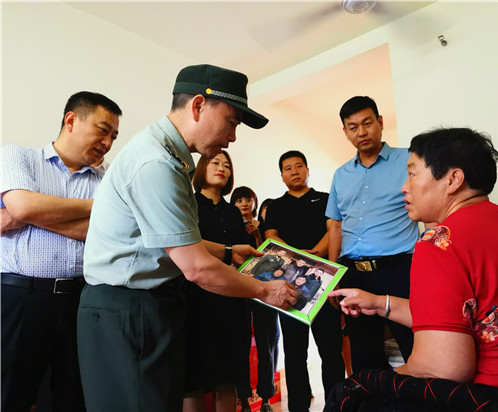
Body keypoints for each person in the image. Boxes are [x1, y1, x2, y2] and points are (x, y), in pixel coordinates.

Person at [76, 64, 298, 411]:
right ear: (198, 105)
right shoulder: (156, 164)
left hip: (145, 306)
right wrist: (266, 290)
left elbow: (171, 237)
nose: (233, 137)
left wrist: (228, 251)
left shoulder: (170, 157)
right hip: (129, 308)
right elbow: (196, 268)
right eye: (232, 122)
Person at [326, 127, 498, 411]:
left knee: (351, 391)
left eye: (412, 174)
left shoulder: (440, 242)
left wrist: (389, 377)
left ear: (453, 180)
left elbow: (443, 368)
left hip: (494, 398)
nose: (403, 187)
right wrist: (381, 304)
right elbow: (457, 318)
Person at [0, 91, 122, 412]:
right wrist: (97, 207)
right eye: (103, 130)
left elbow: (110, 233)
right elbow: (22, 205)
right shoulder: (18, 157)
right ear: (71, 120)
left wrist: (30, 215)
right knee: (10, 395)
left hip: (81, 300)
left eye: (113, 136)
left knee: (71, 398)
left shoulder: (109, 178)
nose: (108, 142)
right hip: (20, 298)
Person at [326, 96, 419, 373]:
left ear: (379, 122)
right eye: (353, 127)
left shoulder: (409, 160)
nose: (361, 132)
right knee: (365, 358)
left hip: (399, 271)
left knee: (416, 351)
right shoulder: (341, 175)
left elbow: (429, 209)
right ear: (345, 132)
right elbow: (335, 226)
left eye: (367, 123)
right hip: (354, 274)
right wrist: (332, 275)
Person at [264, 150, 345, 412]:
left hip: (323, 282)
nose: (294, 171)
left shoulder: (325, 199)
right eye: (288, 168)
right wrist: (296, 257)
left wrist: (316, 253)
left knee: (331, 350)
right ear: (282, 175)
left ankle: (336, 405)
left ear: (307, 170)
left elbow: (334, 228)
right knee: (295, 352)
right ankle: (298, 406)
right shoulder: (276, 206)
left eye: (299, 166)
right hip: (288, 286)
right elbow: (270, 237)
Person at [183, 151, 251, 412]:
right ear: (202, 166)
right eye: (215, 162)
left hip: (231, 301)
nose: (222, 168)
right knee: (193, 379)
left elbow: (242, 258)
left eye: (227, 165)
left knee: (228, 374)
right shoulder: (188, 204)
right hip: (194, 299)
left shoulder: (233, 212)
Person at [242, 244, 286, 412]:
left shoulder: (278, 258)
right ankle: (243, 398)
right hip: (238, 284)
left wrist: (257, 236)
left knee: (267, 344)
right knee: (240, 344)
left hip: (265, 291)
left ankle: (266, 398)